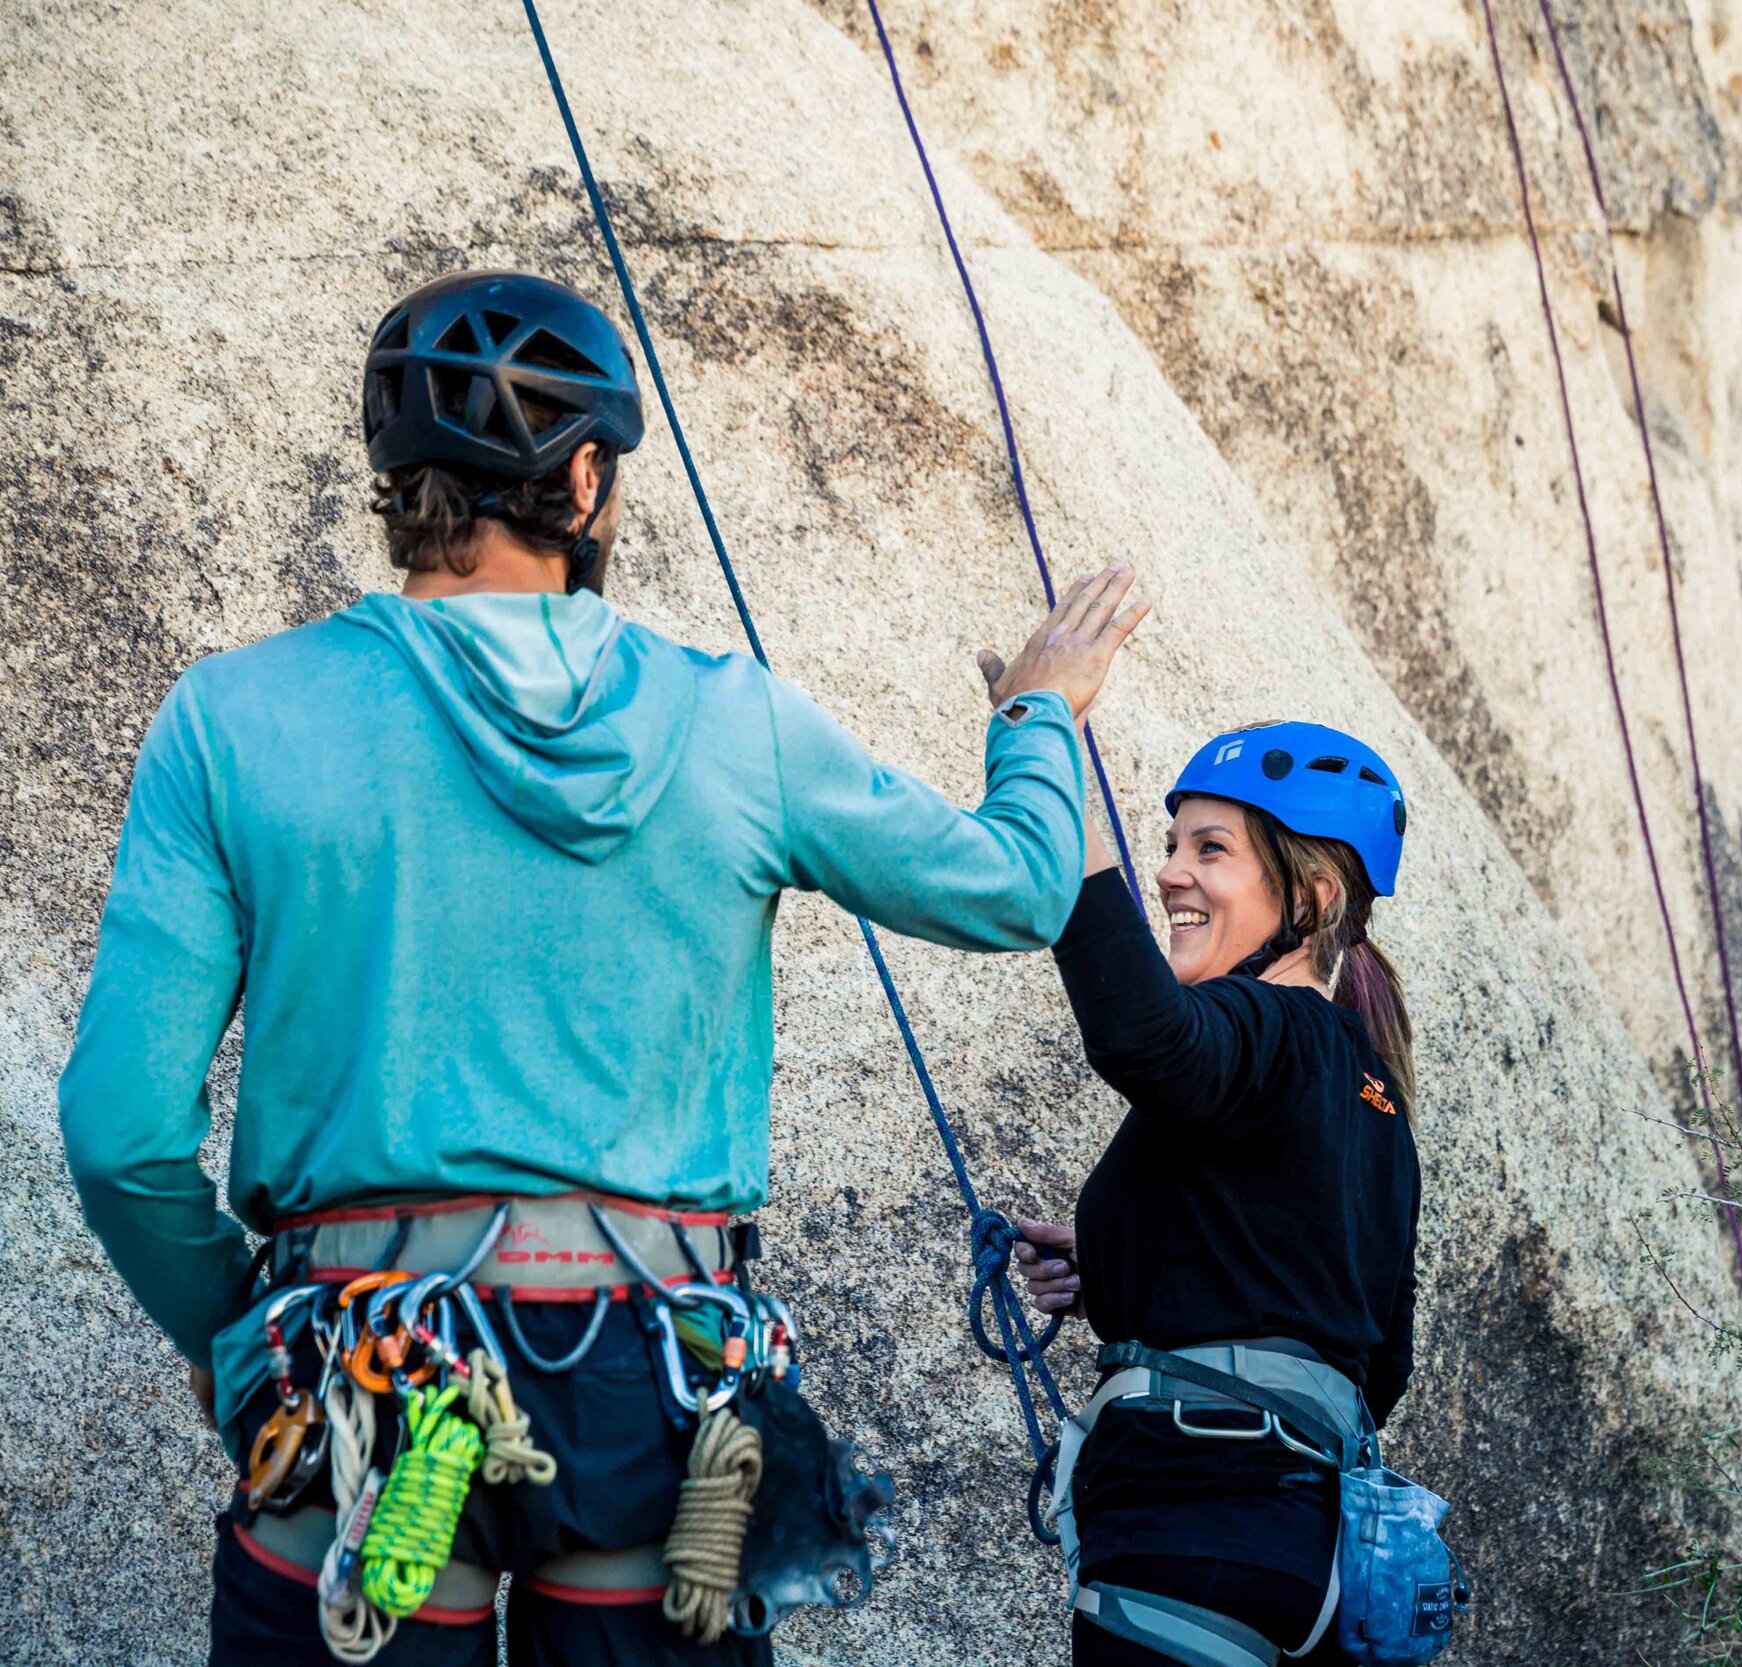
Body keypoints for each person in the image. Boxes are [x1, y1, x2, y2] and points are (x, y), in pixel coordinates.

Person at [55, 268, 1147, 1666]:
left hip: (359, 1377)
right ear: (583, 478)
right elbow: (1016, 886)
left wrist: (245, 1338)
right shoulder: (735, 723)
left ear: (403, 481)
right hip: (660, 1384)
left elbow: (120, 1132)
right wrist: (1041, 712)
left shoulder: (235, 719)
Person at [1010, 721, 1422, 1666]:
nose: (1168, 875)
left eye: (1212, 849)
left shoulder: (1269, 1023)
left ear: (1312, 900)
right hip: (1316, 1561)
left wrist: (1045, 750)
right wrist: (1124, 1260)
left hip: (1196, 1528)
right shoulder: (1376, 1098)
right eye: (1170, 847)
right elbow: (1375, 1357)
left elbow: (1145, 1037)